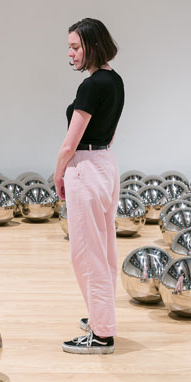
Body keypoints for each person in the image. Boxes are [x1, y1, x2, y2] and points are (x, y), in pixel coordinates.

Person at [53, 18, 124, 354]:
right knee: (104, 250)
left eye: (76, 46)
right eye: (70, 46)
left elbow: (70, 144)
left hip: (85, 169)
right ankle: (102, 318)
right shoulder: (115, 81)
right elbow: (109, 133)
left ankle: (101, 334)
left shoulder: (91, 87)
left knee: (86, 255)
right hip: (106, 165)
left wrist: (58, 174)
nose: (71, 53)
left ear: (92, 46)